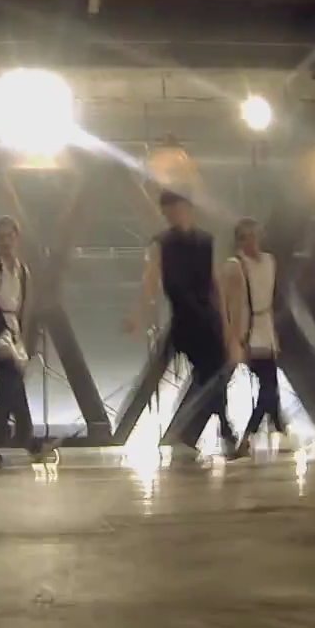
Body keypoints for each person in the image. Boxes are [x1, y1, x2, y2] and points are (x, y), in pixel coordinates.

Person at [126, 190, 234, 459]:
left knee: (214, 375)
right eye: (168, 211)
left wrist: (225, 321)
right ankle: (220, 430)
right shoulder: (161, 244)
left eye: (176, 209)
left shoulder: (205, 241)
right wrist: (138, 314)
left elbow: (215, 284)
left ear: (187, 208)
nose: (173, 215)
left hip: (207, 316)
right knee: (211, 374)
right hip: (185, 319)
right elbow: (150, 280)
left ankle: (207, 431)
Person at [0, 216, 46, 469]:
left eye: (9, 236)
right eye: (1, 237)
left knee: (12, 385)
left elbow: (23, 307)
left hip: (13, 332)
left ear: (16, 238)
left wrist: (22, 339)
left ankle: (27, 439)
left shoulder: (23, 271)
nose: (5, 241)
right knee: (11, 381)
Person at [223, 217, 286, 458]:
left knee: (270, 387)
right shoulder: (235, 265)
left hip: (266, 330)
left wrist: (273, 335)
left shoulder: (270, 261)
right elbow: (231, 305)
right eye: (246, 237)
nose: (252, 241)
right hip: (248, 333)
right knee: (268, 387)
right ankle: (248, 437)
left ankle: (274, 430)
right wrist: (234, 340)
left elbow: (269, 299)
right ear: (239, 240)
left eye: (255, 235)